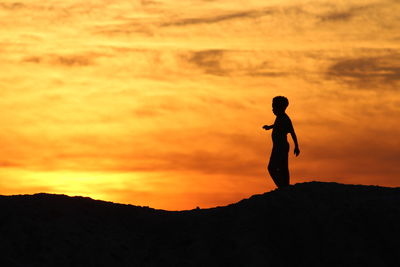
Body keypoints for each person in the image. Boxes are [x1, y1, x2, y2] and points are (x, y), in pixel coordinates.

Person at [263, 96, 300, 188]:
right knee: (281, 167)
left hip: (281, 146)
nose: (272, 109)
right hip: (277, 146)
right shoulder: (280, 118)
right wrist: (269, 127)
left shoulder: (285, 119)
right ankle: (284, 186)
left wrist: (296, 146)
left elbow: (292, 132)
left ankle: (282, 186)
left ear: (280, 107)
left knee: (273, 168)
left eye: (274, 107)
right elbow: (276, 125)